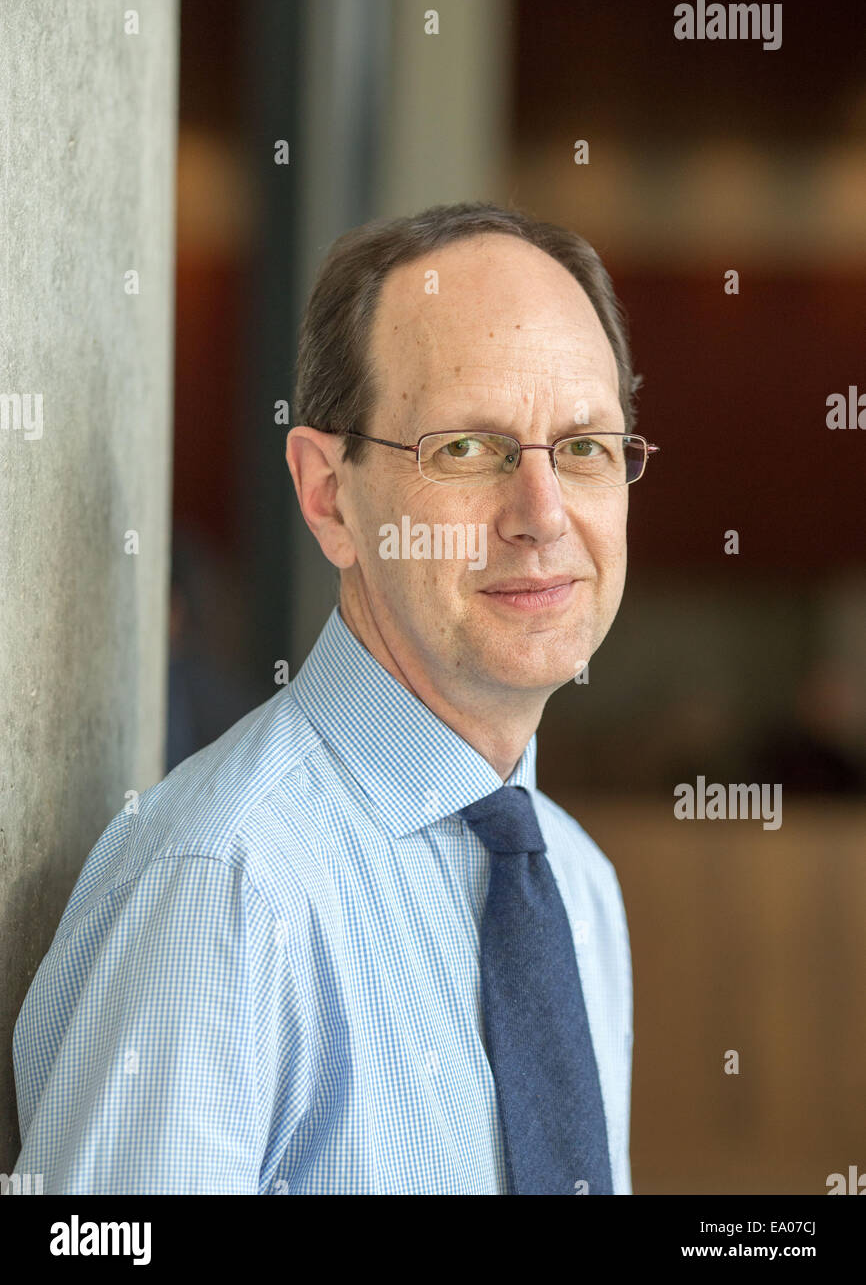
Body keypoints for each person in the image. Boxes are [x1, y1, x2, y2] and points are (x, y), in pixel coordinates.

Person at [12, 201, 657, 1194]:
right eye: (466, 448)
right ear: (327, 495)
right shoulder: (221, 887)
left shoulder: (575, 885)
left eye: (583, 447)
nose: (541, 514)